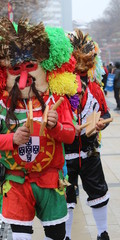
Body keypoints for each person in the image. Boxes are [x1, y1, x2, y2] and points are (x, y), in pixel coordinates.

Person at [0, 17, 79, 240]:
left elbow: (70, 134)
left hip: (50, 182)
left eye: (30, 66)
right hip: (15, 182)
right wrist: (12, 139)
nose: (23, 76)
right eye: (15, 68)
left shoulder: (56, 99)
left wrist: (56, 126)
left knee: (56, 235)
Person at [64, 29, 111, 240]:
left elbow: (106, 112)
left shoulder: (95, 88)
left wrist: (101, 124)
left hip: (90, 152)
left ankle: (103, 232)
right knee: (66, 196)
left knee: (98, 191)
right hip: (65, 153)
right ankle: (65, 236)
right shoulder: (60, 88)